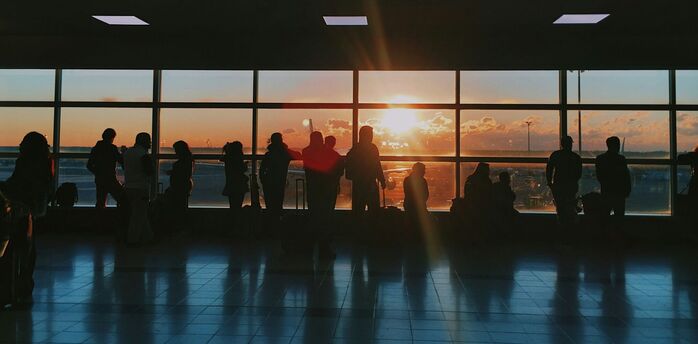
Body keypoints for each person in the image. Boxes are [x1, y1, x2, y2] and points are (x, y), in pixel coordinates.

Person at [0, 186, 35, 306]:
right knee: (21, 262)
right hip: (19, 234)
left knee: (15, 262)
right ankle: (16, 292)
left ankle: (13, 293)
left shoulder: (11, 212)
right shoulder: (18, 210)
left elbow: (6, 234)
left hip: (15, 234)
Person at [6, 132, 54, 219]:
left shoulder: (24, 162)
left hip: (26, 204)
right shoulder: (45, 163)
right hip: (36, 204)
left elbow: (16, 181)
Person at [345, 126, 385, 217]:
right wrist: (382, 180)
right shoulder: (373, 148)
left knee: (358, 211)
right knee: (374, 211)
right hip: (370, 184)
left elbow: (349, 170)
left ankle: (359, 229)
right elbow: (377, 165)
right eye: (370, 135)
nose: (371, 137)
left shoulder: (354, 150)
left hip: (359, 185)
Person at [122, 133, 154, 244]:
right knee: (139, 216)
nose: (150, 143)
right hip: (140, 187)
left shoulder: (128, 152)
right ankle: (133, 240)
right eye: (149, 140)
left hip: (129, 187)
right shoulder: (143, 155)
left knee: (139, 214)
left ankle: (148, 238)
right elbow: (150, 171)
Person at [259, 133, 300, 221]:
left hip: (268, 182)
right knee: (277, 204)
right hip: (280, 181)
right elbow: (298, 155)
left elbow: (262, 169)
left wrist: (263, 180)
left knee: (270, 205)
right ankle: (276, 223)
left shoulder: (268, 155)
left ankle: (270, 225)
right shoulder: (285, 154)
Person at [595, 136, 632, 228]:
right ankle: (618, 236)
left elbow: (599, 176)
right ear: (617, 146)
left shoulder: (600, 159)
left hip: (606, 191)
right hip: (619, 192)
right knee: (619, 217)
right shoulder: (621, 159)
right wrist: (627, 190)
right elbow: (626, 176)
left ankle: (605, 237)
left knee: (604, 216)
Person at [546, 136, 582, 226]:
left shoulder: (555, 155)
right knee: (570, 207)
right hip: (570, 186)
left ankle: (562, 225)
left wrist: (550, 182)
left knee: (560, 208)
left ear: (562, 144)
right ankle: (570, 226)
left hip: (558, 185)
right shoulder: (575, 157)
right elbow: (578, 173)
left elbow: (549, 169)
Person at [87, 128, 125, 209]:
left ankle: (99, 219)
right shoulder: (112, 148)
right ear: (112, 137)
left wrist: (98, 173)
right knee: (123, 199)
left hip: (100, 180)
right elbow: (121, 160)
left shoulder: (96, 149)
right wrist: (124, 153)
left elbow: (89, 165)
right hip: (111, 179)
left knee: (100, 203)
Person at [165, 141, 194, 231]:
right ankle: (181, 227)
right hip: (183, 186)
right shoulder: (188, 160)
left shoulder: (183, 161)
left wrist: (173, 172)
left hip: (180, 187)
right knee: (182, 207)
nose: (175, 152)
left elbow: (183, 174)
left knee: (179, 207)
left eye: (176, 150)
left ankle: (180, 227)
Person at [222, 142, 249, 228]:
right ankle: (236, 226)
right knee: (237, 206)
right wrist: (245, 165)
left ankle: (233, 226)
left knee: (233, 206)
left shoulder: (228, 158)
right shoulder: (237, 158)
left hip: (231, 185)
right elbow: (240, 169)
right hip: (239, 185)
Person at [302, 131, 328, 212]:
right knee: (323, 203)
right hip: (324, 181)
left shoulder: (305, 151)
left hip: (311, 180)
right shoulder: (325, 151)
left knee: (312, 202)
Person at [463, 162, 493, 227]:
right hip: (483, 208)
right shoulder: (487, 181)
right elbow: (490, 194)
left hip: (472, 207)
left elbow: (467, 193)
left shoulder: (471, 179)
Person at [403, 162, 429, 228]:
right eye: (423, 170)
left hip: (409, 207)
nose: (424, 172)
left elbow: (407, 193)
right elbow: (426, 194)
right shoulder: (423, 181)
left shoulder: (407, 180)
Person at [324, 136, 343, 210]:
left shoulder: (320, 155)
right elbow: (340, 172)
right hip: (332, 184)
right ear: (334, 143)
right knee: (330, 205)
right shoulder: (336, 156)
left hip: (321, 184)